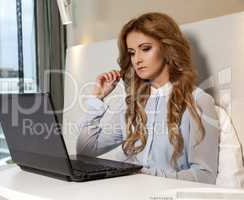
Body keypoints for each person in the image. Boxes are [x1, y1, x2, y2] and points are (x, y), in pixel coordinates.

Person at [76, 12, 220, 184]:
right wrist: (97, 98)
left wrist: (140, 174)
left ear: (167, 48)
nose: (137, 60)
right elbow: (85, 150)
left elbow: (205, 176)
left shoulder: (197, 101)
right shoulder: (131, 104)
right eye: (132, 52)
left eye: (145, 49)